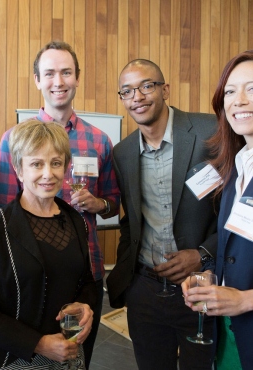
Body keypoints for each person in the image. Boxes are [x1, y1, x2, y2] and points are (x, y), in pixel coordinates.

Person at [0, 40, 120, 367]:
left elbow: (114, 205)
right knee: (32, 358)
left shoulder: (99, 140)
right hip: (30, 278)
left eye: (66, 72)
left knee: (74, 357)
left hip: (84, 277)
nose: (58, 81)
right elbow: (3, 214)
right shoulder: (13, 140)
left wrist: (98, 203)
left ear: (78, 78)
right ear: (37, 79)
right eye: (49, 73)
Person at [106, 59, 219, 370]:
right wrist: (130, 284)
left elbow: (234, 211)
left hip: (200, 285)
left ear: (165, 89)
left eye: (146, 86)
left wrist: (203, 255)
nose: (137, 97)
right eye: (127, 91)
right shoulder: (123, 153)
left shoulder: (210, 131)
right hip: (146, 291)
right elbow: (131, 221)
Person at [0, 119, 96, 369]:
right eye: (36, 163)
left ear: (66, 167)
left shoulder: (75, 221)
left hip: (68, 356)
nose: (48, 173)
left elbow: (85, 281)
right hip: (13, 359)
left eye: (56, 163)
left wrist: (85, 305)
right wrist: (39, 343)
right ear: (19, 170)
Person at [182, 50, 253, 370]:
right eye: (230, 91)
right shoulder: (237, 167)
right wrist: (212, 277)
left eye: (252, 89)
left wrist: (245, 299)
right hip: (229, 332)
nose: (239, 100)